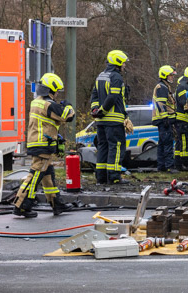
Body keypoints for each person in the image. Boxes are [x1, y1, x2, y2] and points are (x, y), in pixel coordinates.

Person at [14, 73, 75, 217]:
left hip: (37, 142)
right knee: (35, 175)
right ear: (51, 90)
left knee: (48, 175)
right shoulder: (48, 105)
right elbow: (68, 116)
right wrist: (68, 105)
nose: (57, 94)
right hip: (43, 145)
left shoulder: (37, 102)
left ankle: (56, 203)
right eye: (56, 91)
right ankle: (21, 205)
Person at [89, 50, 129, 185]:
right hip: (114, 120)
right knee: (116, 147)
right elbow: (113, 97)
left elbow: (94, 95)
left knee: (103, 147)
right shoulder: (116, 77)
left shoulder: (100, 76)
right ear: (117, 62)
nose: (124, 65)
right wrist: (103, 110)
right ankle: (114, 177)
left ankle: (101, 177)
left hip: (100, 121)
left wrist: (95, 110)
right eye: (123, 63)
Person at [152, 65, 177, 172]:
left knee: (162, 143)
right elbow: (161, 104)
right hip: (164, 120)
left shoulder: (164, 86)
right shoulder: (162, 87)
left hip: (163, 120)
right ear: (165, 76)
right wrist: (165, 117)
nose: (172, 77)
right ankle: (169, 166)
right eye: (170, 75)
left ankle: (161, 166)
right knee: (167, 143)